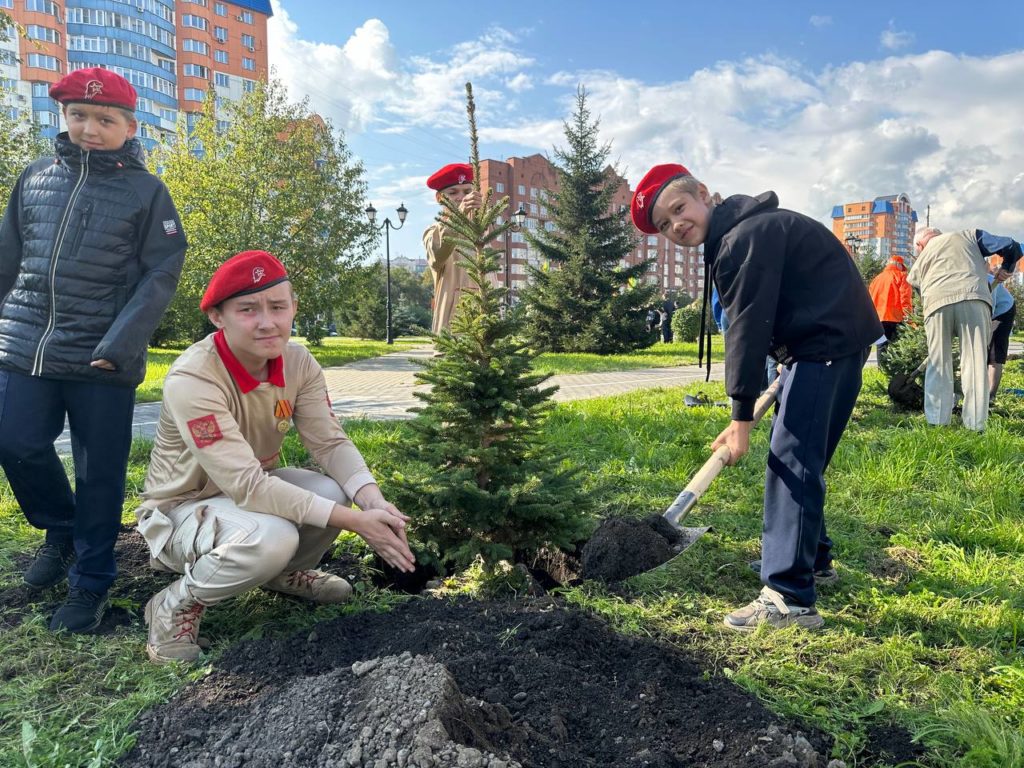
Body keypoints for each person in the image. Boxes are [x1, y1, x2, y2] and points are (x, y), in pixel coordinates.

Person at [631, 163, 881, 633]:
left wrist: (739, 418)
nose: (675, 226)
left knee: (792, 461)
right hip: (827, 346)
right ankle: (813, 561)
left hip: (824, 348)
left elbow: (746, 327)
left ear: (704, 195)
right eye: (664, 225)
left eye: (679, 209)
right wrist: (787, 355)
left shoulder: (744, 237)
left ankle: (789, 597)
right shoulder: (746, 230)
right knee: (804, 457)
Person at [135, 250, 415, 663]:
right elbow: (246, 485)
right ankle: (176, 602)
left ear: (293, 308)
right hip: (180, 511)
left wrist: (372, 501)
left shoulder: (298, 362)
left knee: (334, 492)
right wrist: (357, 524)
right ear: (218, 316)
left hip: (247, 499)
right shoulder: (193, 377)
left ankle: (281, 573)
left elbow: (330, 443)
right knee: (275, 536)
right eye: (248, 309)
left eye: (278, 307)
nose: (267, 322)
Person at [0, 68, 187, 633]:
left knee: (99, 473)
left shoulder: (146, 191)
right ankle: (60, 529)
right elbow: (8, 258)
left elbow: (161, 270)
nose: (89, 128)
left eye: (105, 119)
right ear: (62, 117)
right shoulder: (33, 178)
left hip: (102, 358)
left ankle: (90, 582)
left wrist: (123, 341)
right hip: (25, 346)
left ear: (129, 127)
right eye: (78, 115)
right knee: (17, 443)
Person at [907, 227, 1020, 431]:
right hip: (973, 299)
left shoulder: (922, 258)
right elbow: (1012, 245)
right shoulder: (969, 236)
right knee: (975, 363)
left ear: (919, 245)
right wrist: (1007, 266)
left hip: (936, 303)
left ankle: (936, 422)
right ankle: (976, 424)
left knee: (938, 362)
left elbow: (914, 284)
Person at [423, 163, 481, 334]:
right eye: (453, 192)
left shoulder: (482, 231)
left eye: (467, 192)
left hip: (485, 325)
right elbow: (438, 254)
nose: (461, 197)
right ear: (439, 198)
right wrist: (460, 214)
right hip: (452, 329)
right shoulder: (433, 231)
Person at [868, 255, 914, 343]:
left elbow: (869, 298)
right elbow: (905, 298)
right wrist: (908, 316)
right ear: (898, 264)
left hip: (878, 318)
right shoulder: (902, 276)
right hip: (896, 317)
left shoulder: (877, 278)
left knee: (881, 346)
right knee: (897, 348)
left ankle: (880, 357)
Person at [987, 266, 1016, 402]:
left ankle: (990, 396)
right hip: (990, 311)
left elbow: (988, 310)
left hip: (1004, 311)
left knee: (994, 353)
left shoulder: (987, 281)